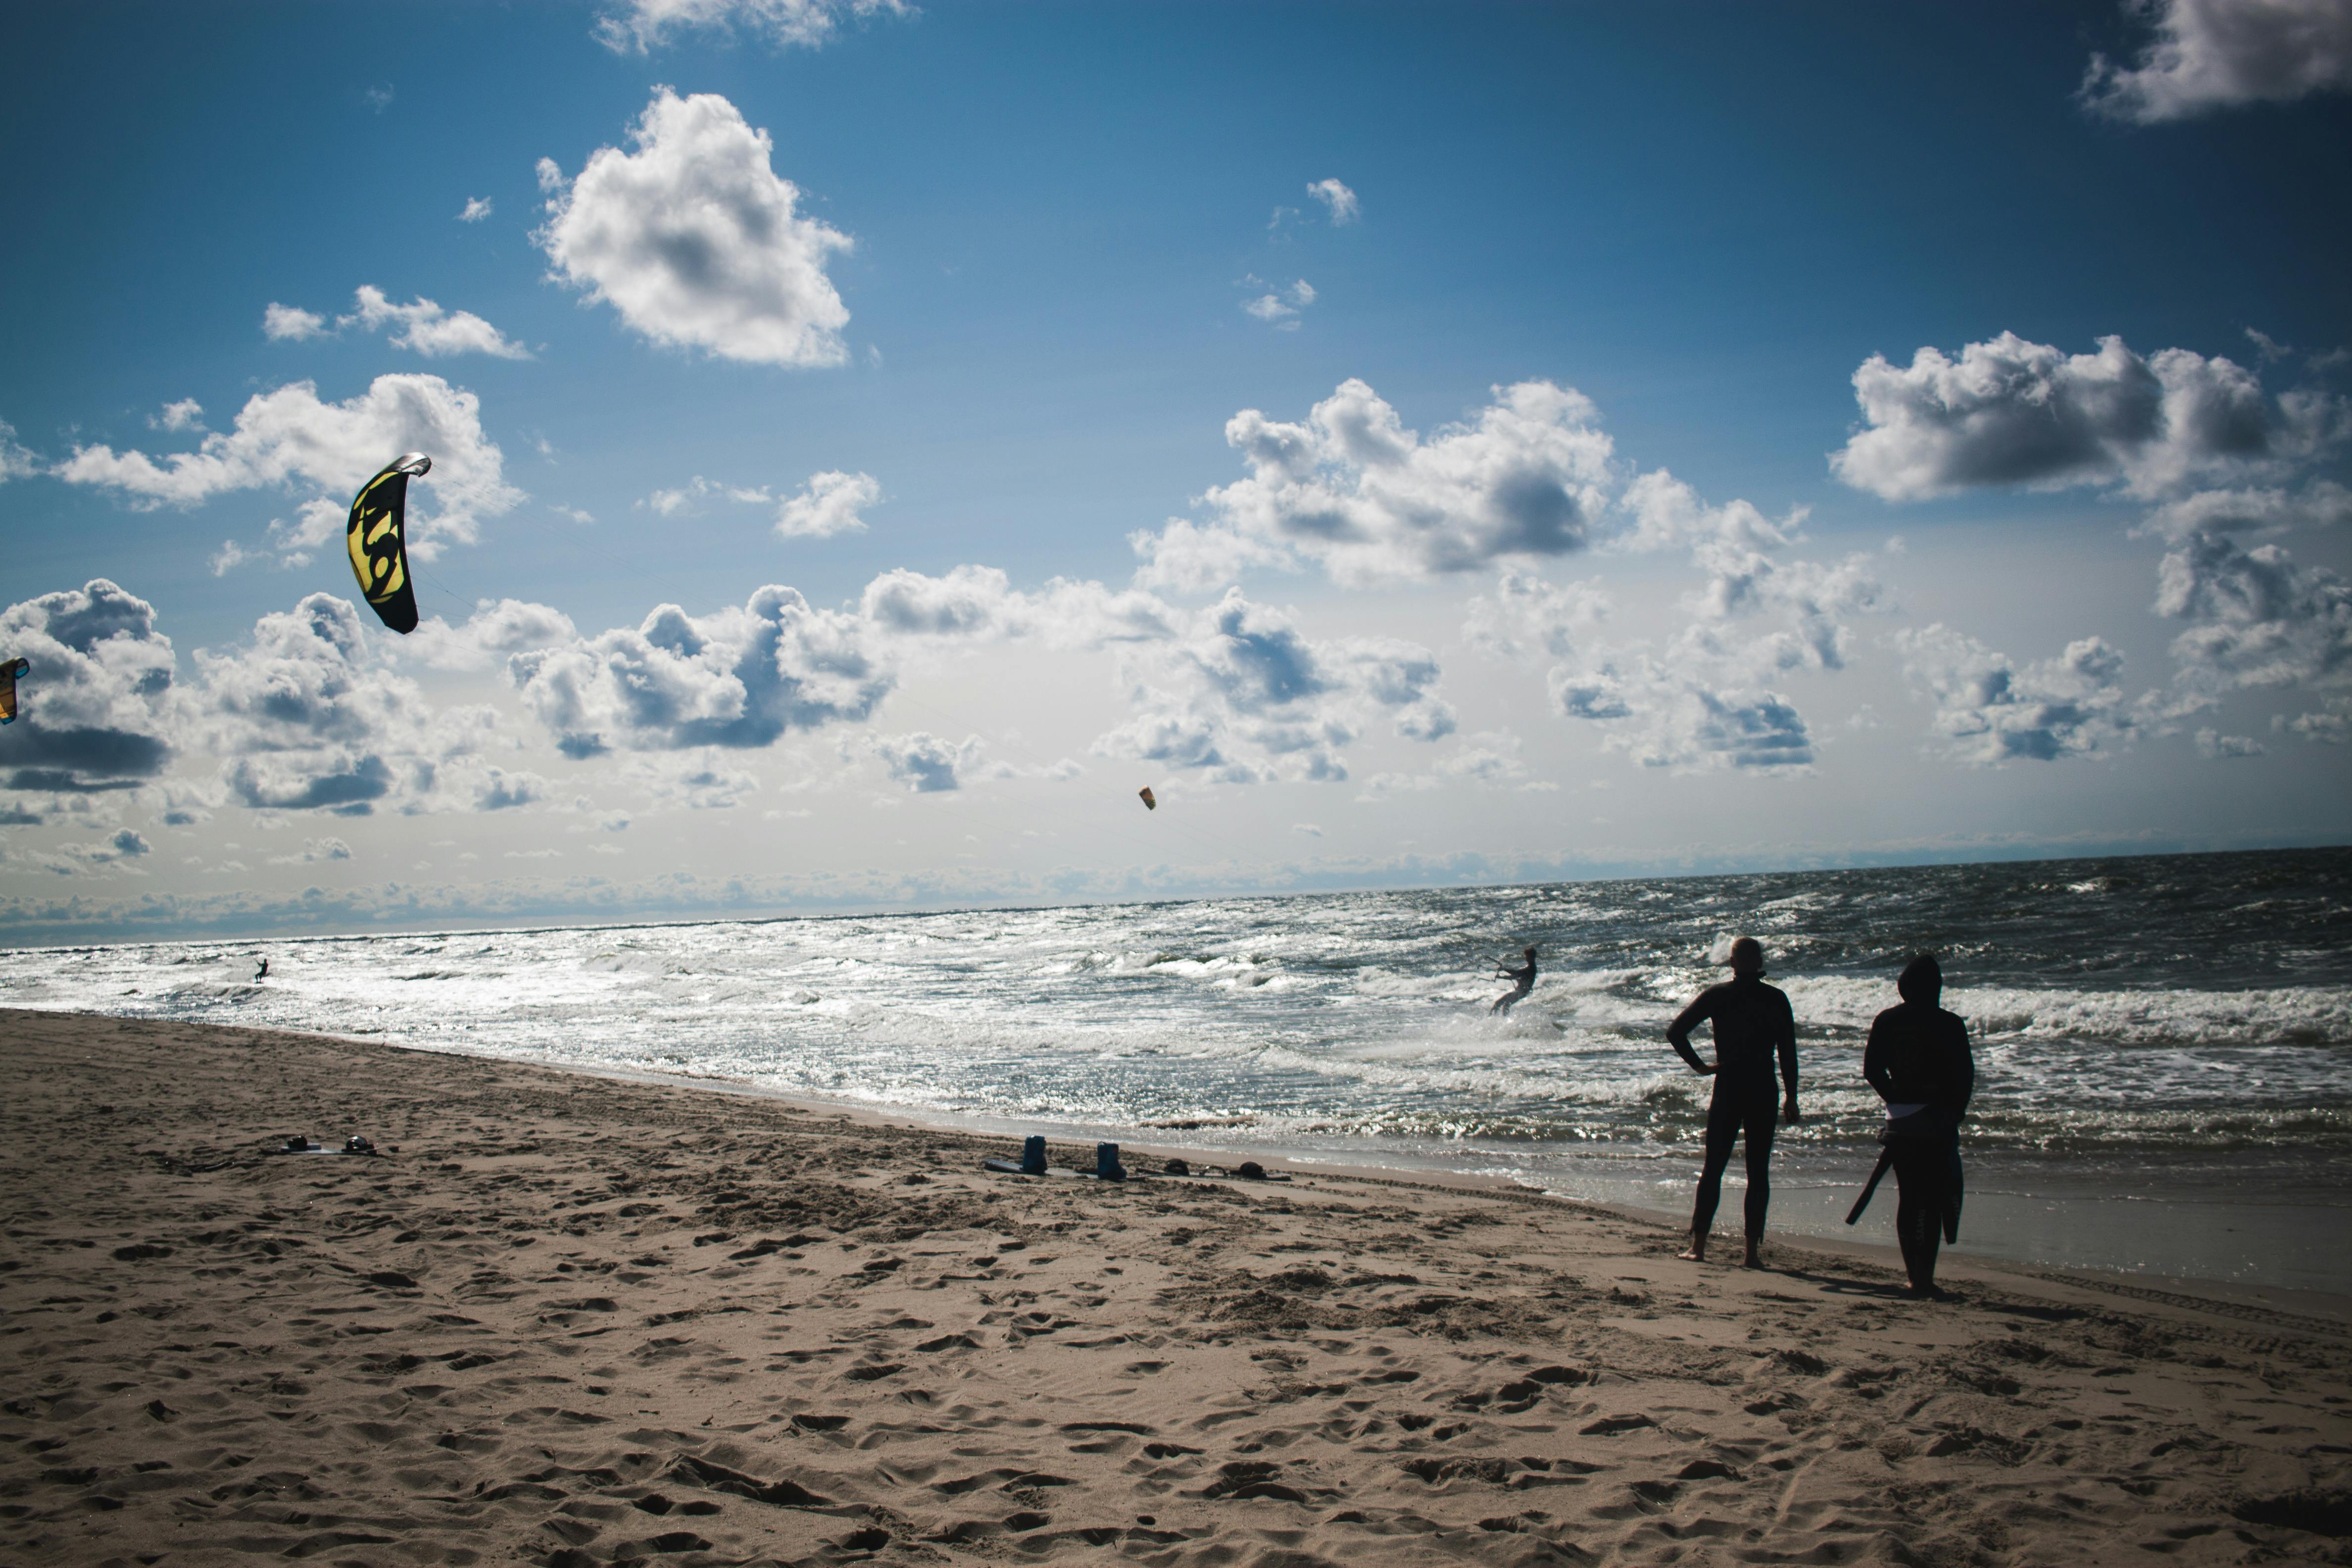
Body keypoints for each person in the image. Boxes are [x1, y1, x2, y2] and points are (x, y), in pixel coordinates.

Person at [1666, 936, 1800, 1267]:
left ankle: (1698, 1246)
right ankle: (1751, 1254)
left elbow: (1676, 1031)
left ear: (1731, 963)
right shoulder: (1776, 998)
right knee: (1758, 1172)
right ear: (1760, 962)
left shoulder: (1719, 994)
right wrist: (1792, 1096)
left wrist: (1700, 1067)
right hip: (1764, 1089)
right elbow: (1788, 1052)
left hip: (1729, 1085)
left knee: (1714, 1167)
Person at [1863, 953, 1974, 1298]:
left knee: (1910, 1198)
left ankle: (1915, 1276)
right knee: (1937, 1195)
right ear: (1937, 988)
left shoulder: (1887, 1020)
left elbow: (1872, 1070)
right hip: (1938, 1121)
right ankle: (1927, 1275)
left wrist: (1894, 1098)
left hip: (1902, 1122)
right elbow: (1965, 1075)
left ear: (1903, 988)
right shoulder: (1950, 1023)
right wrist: (1955, 1112)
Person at [1490, 946, 1537, 1015]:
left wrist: (1504, 969)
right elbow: (1514, 976)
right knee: (1502, 1004)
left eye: (1527, 956)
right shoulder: (1530, 967)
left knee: (1503, 1004)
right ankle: (1495, 1018)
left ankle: (1495, 1018)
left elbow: (1516, 973)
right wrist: (1501, 977)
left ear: (1531, 957)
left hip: (1522, 992)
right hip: (1520, 991)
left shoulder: (1531, 968)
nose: (1526, 958)